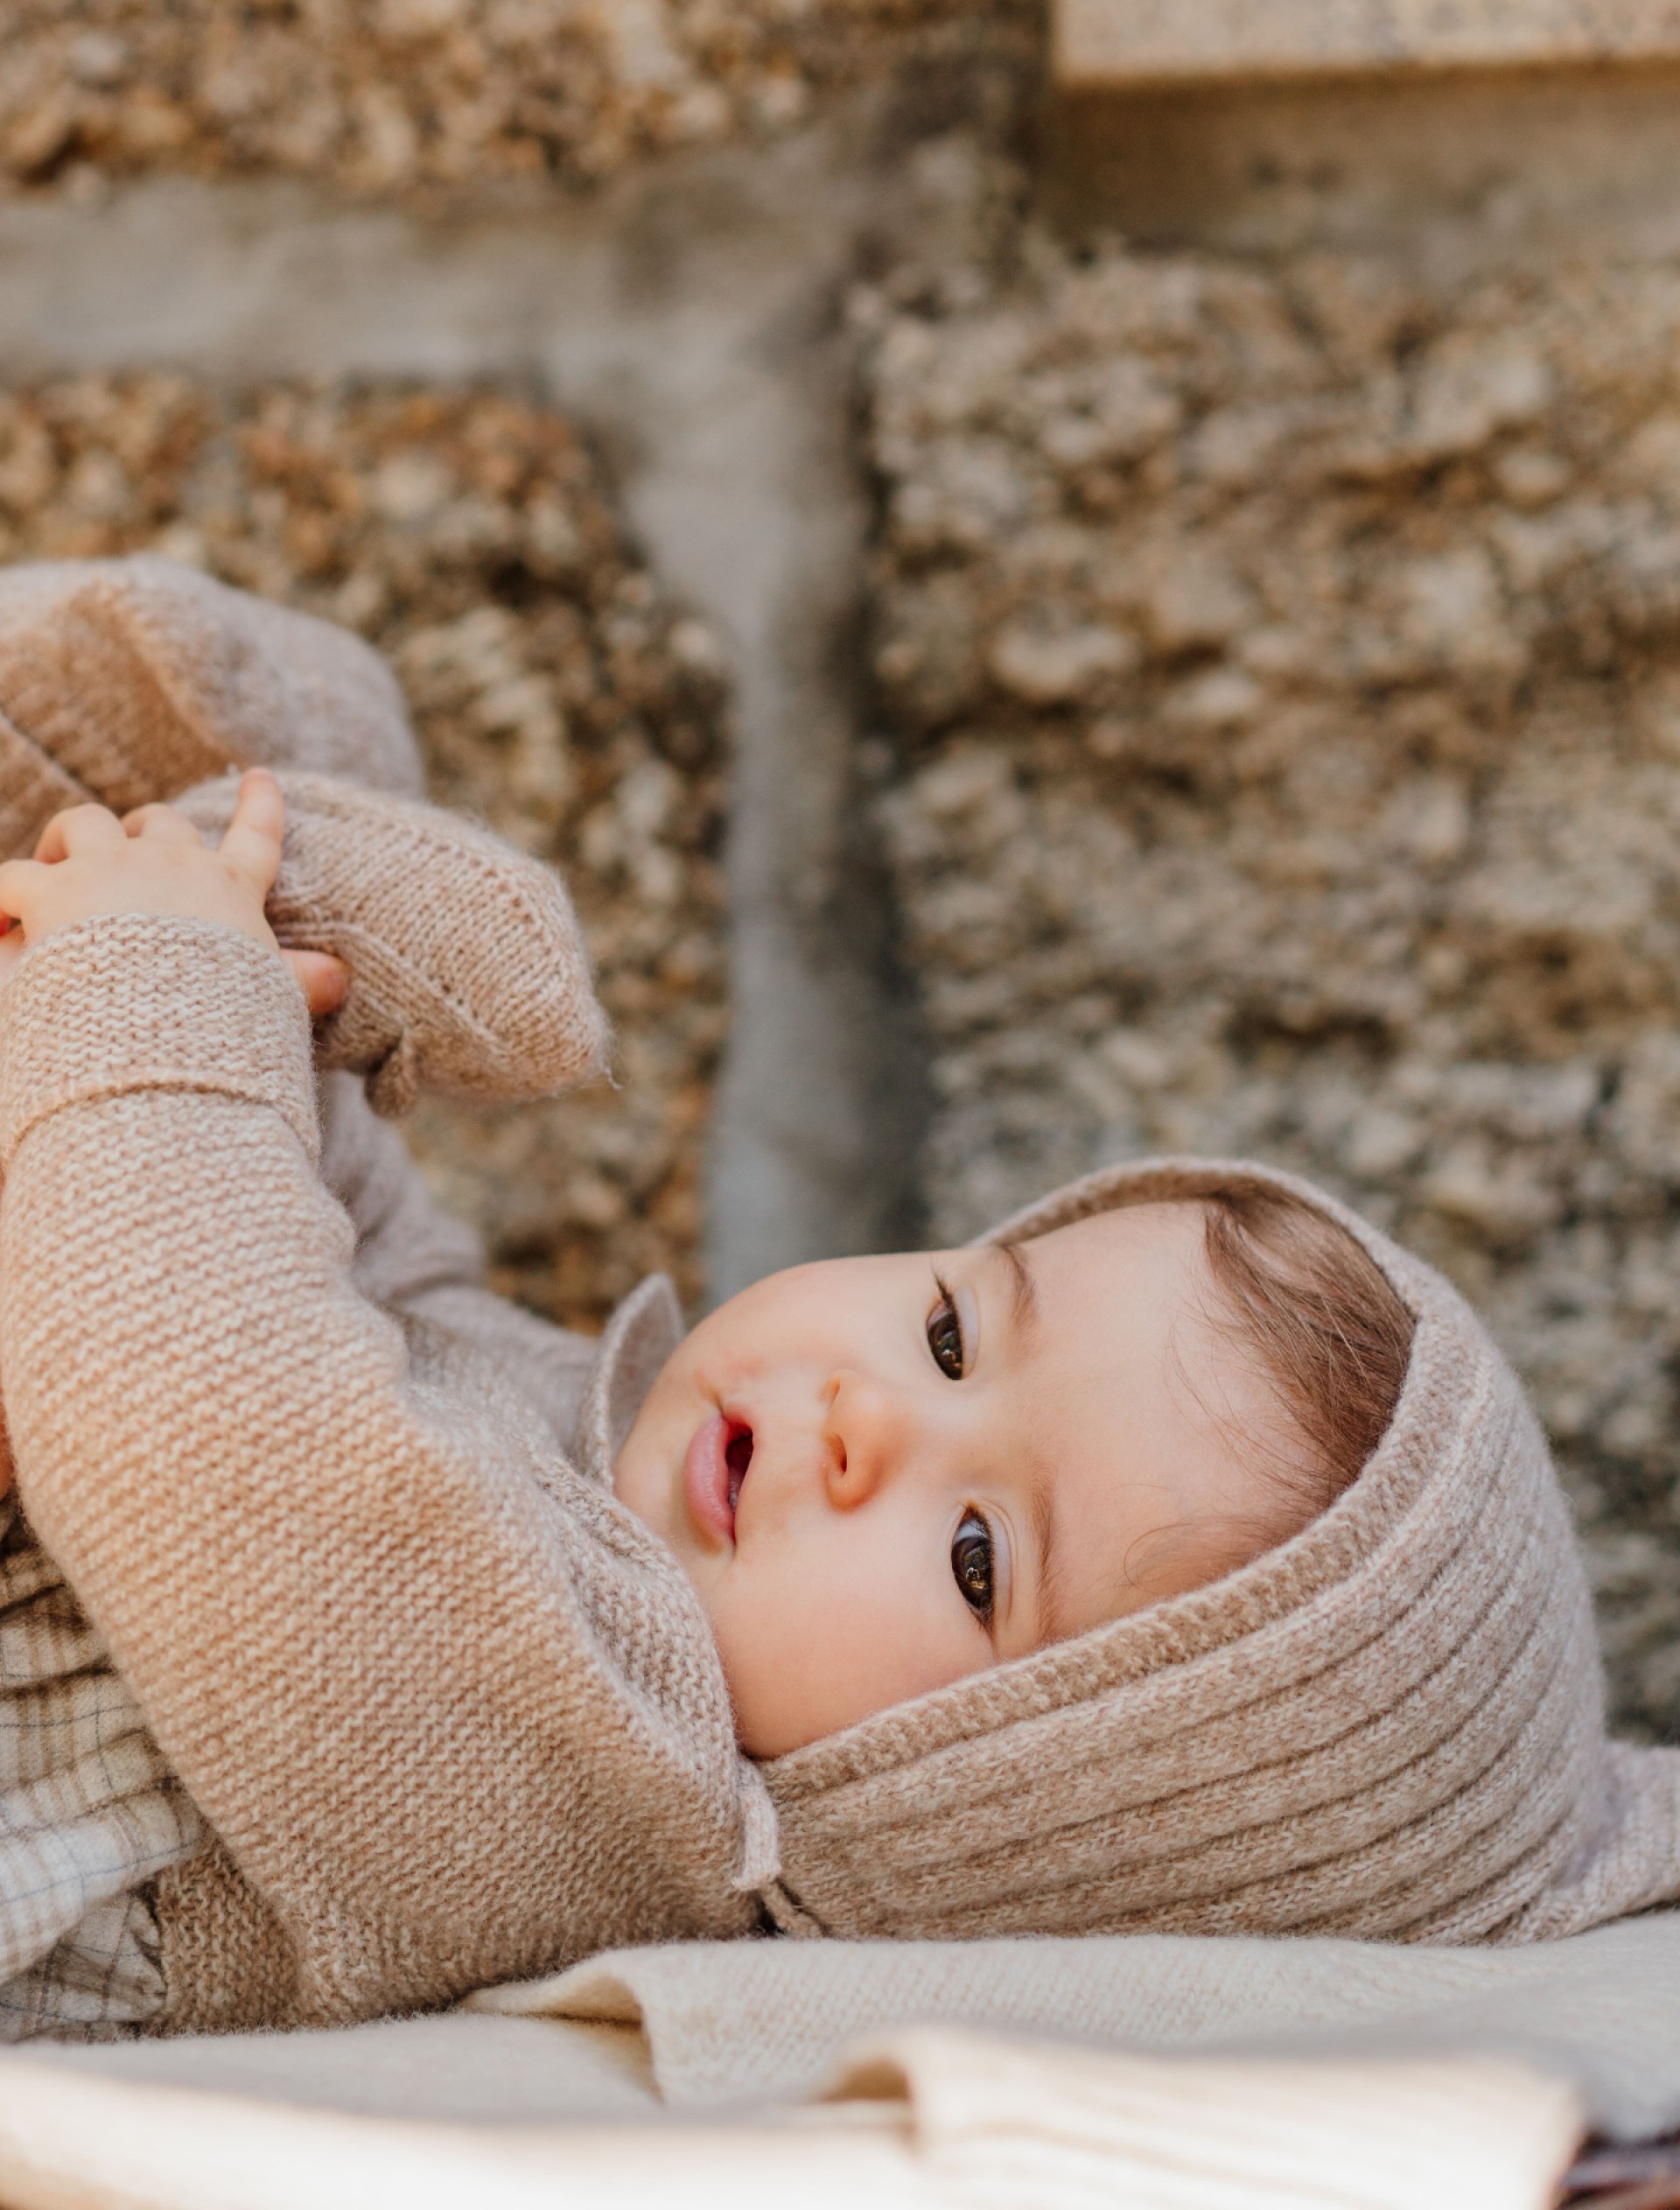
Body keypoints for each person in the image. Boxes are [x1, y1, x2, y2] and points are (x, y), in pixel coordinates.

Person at [0, 558, 1672, 2049]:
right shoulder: (596, 1465)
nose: (866, 1419)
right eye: (952, 1332)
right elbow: (376, 1281)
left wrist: (155, 992)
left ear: (973, 1825)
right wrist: (293, 922)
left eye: (976, 1558)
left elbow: (216, 1422)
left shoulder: (614, 1775)